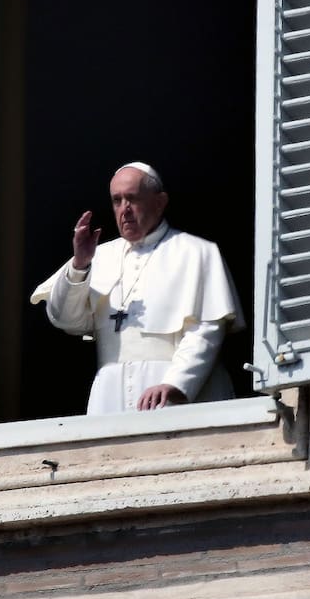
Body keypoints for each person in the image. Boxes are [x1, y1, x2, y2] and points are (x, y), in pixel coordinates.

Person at [30, 162, 243, 414]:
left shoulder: (197, 252)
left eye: (132, 199)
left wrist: (176, 382)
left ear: (159, 202)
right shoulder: (98, 256)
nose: (124, 210)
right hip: (110, 395)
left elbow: (207, 327)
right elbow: (66, 319)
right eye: (117, 201)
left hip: (176, 390)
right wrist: (79, 265)